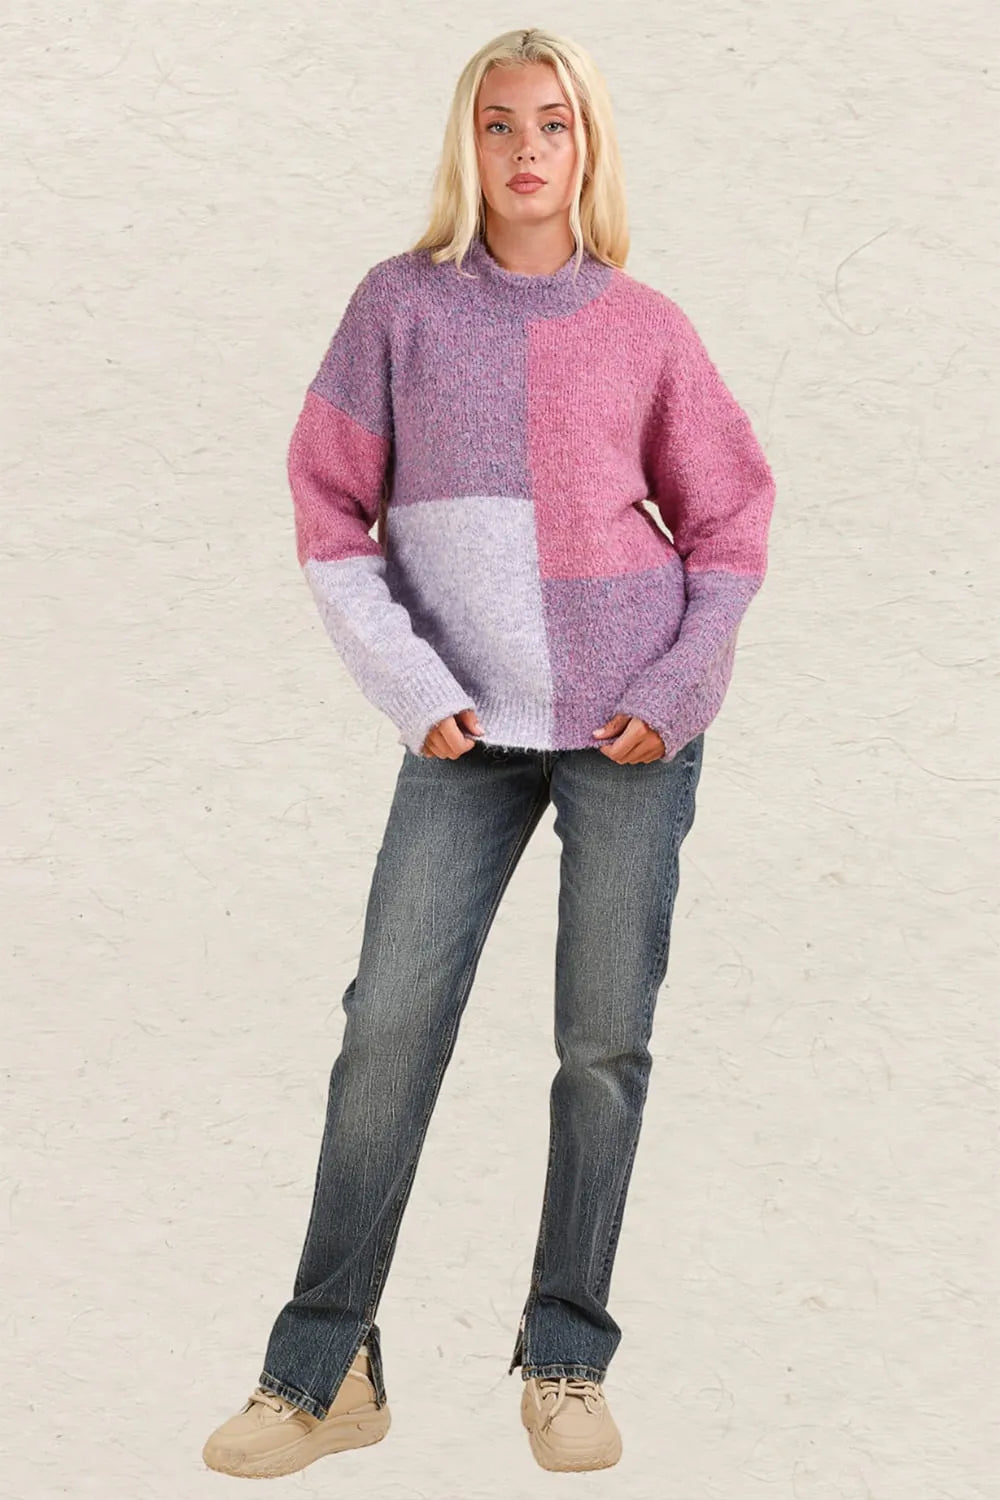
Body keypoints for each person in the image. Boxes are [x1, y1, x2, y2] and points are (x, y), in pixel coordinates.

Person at [202, 24, 775, 1481]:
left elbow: (730, 521)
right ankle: (322, 1371)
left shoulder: (645, 326)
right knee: (387, 1027)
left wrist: (680, 682)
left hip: (630, 724)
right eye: (502, 124)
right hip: (460, 731)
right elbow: (329, 516)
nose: (528, 150)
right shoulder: (397, 306)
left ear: (590, 146)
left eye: (555, 124)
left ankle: (567, 1357)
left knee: (602, 1043)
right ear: (468, 145)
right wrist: (413, 688)